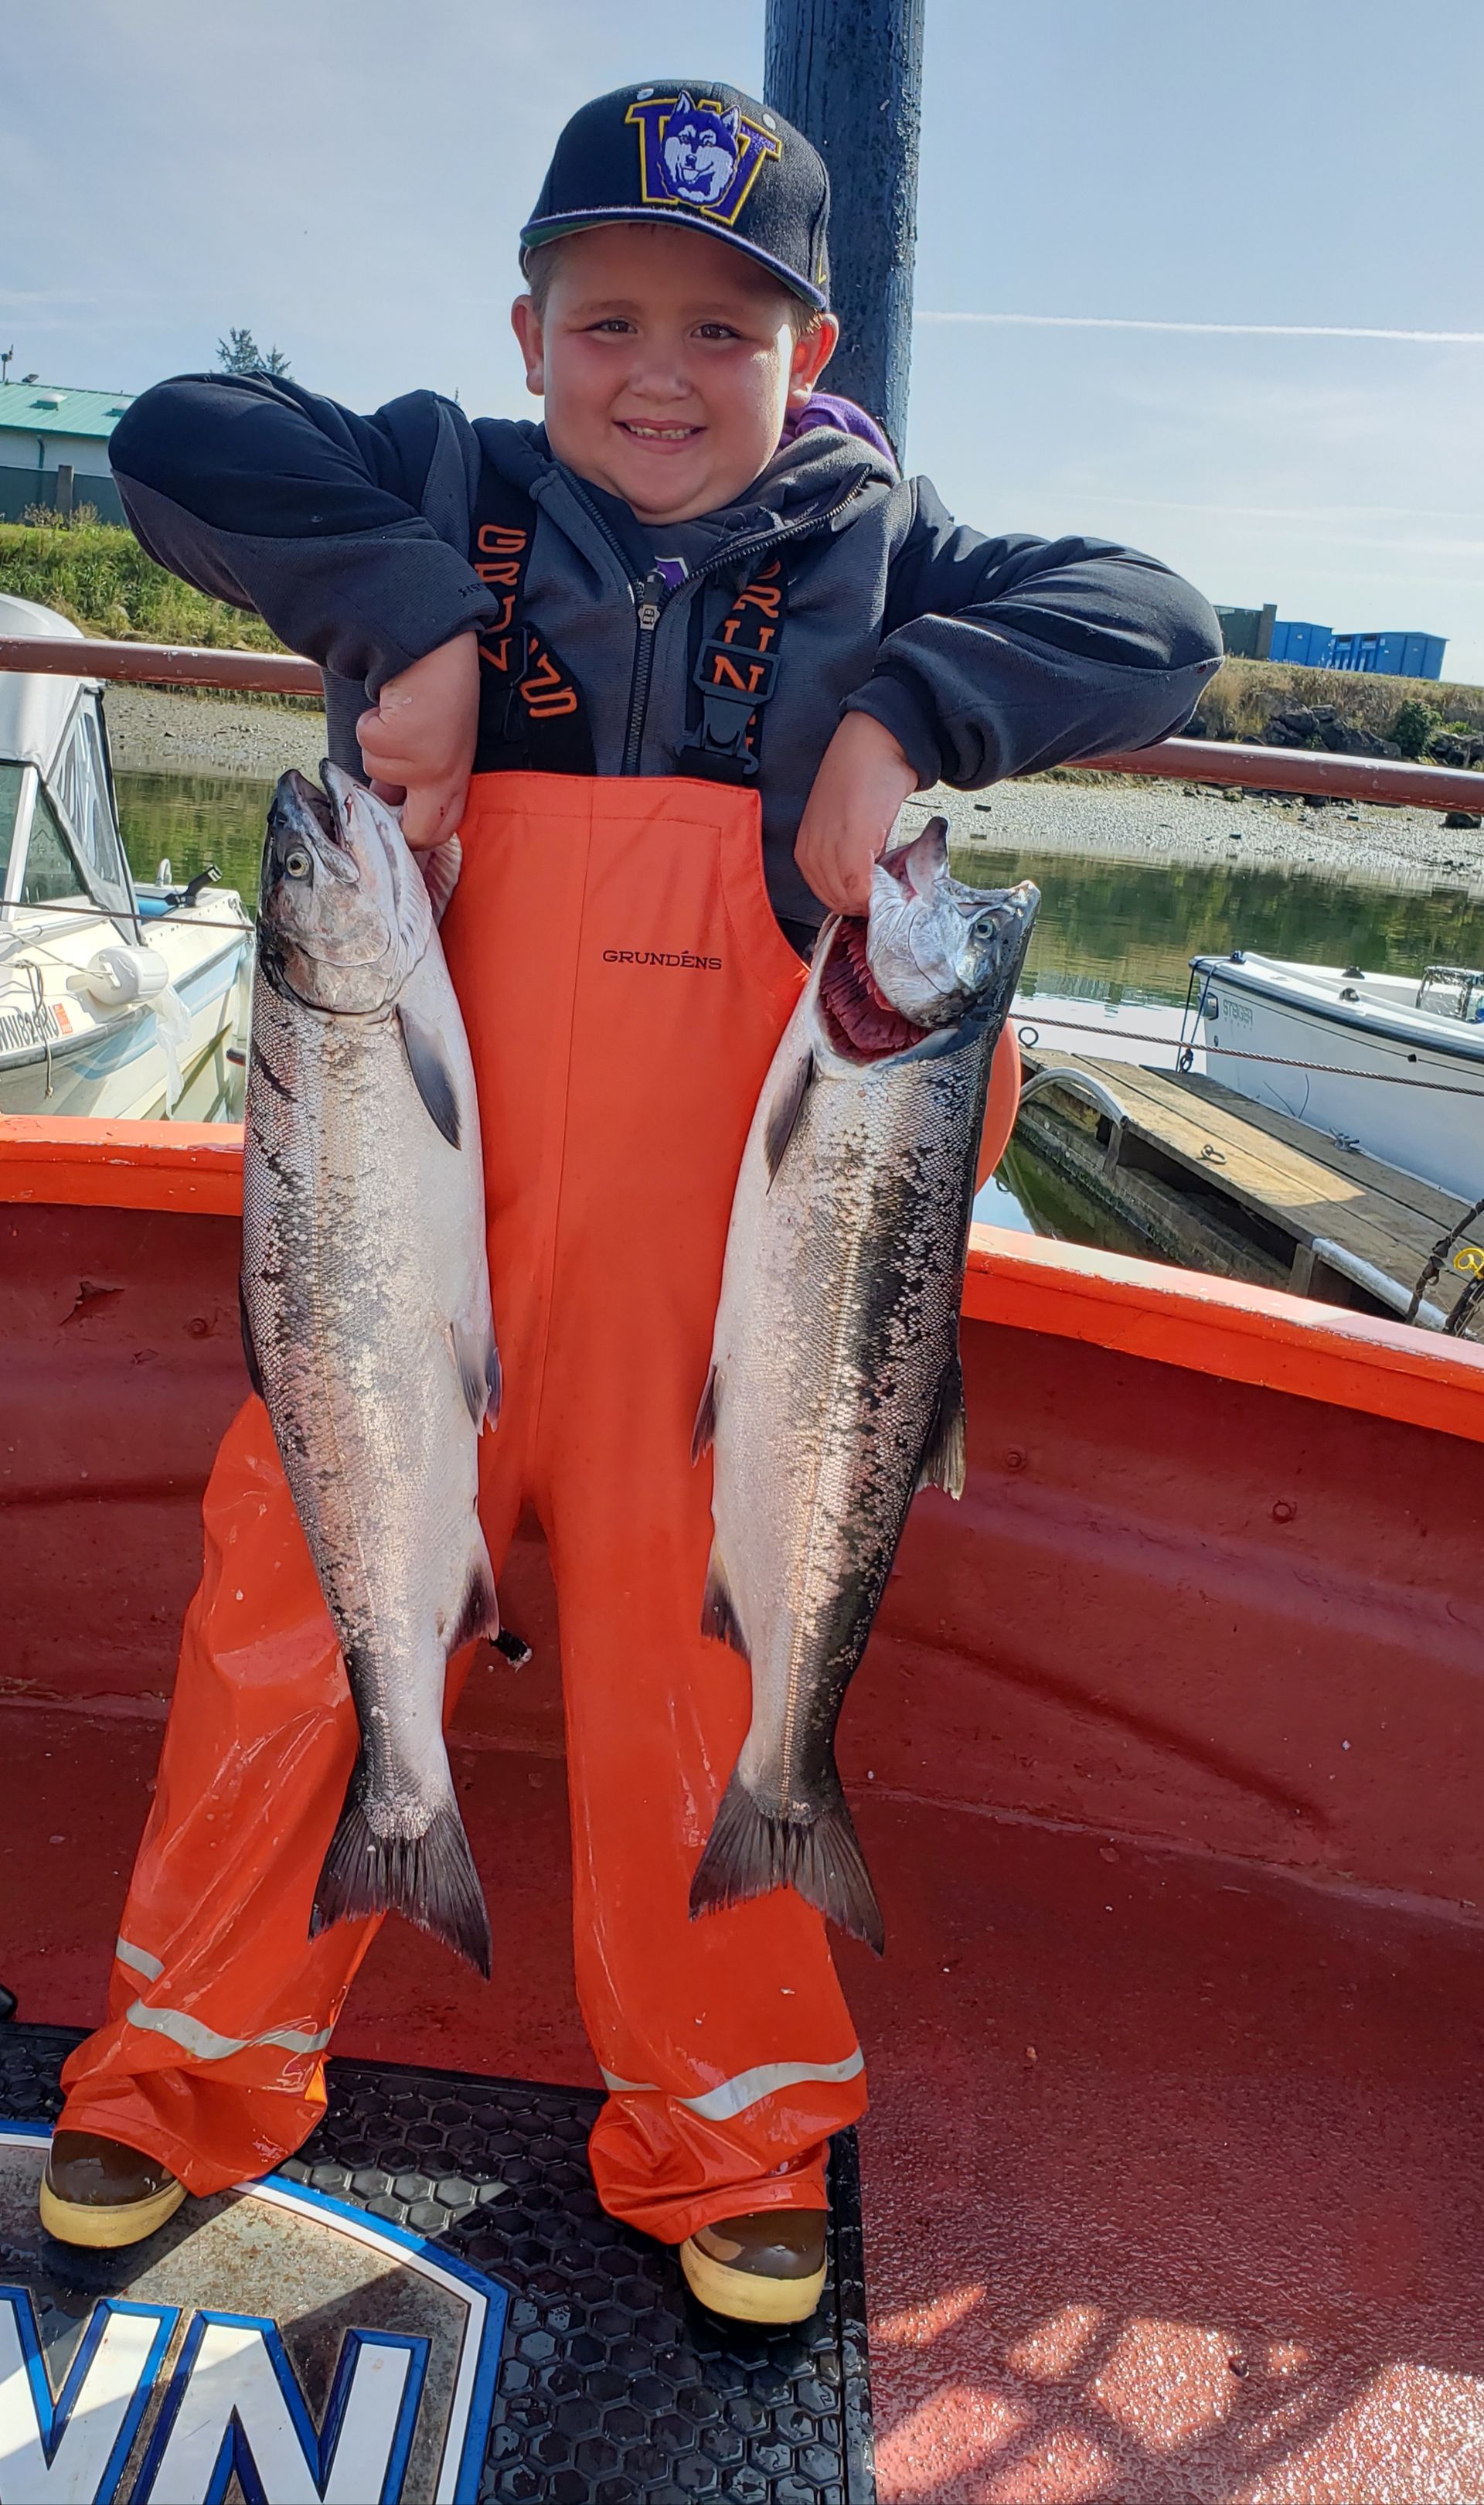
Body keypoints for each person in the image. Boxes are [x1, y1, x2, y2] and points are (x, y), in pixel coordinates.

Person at [43, 80, 1220, 2320]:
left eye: (724, 328)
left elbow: (1155, 620)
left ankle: (728, 2128)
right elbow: (182, 440)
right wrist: (408, 607)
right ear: (523, 330)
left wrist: (914, 706)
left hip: (725, 1311)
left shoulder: (892, 555)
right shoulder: (437, 487)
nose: (659, 375)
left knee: (711, 1687)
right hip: (395, 1270)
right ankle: (182, 2074)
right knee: (278, 1635)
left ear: (816, 349)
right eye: (607, 321)